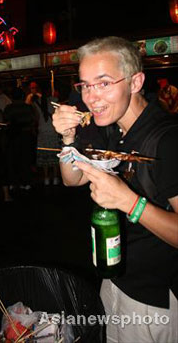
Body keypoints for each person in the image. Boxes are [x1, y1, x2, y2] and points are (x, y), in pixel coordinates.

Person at [52, 36, 178, 343]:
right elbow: (73, 179)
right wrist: (68, 139)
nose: (91, 98)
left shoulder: (168, 140)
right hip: (115, 279)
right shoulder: (116, 130)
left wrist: (128, 201)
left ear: (135, 82)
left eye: (104, 83)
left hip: (154, 298)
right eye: (85, 85)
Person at [4, 87, 36, 191]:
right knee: (25, 159)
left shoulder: (9, 108)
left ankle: (14, 183)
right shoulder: (28, 108)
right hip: (26, 135)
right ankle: (26, 182)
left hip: (13, 136)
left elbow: (6, 121)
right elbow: (33, 120)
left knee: (13, 160)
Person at [32, 84, 60, 186]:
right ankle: (56, 177)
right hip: (53, 131)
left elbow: (36, 119)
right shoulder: (55, 101)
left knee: (44, 156)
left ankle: (46, 178)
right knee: (54, 155)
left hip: (42, 132)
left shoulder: (35, 103)